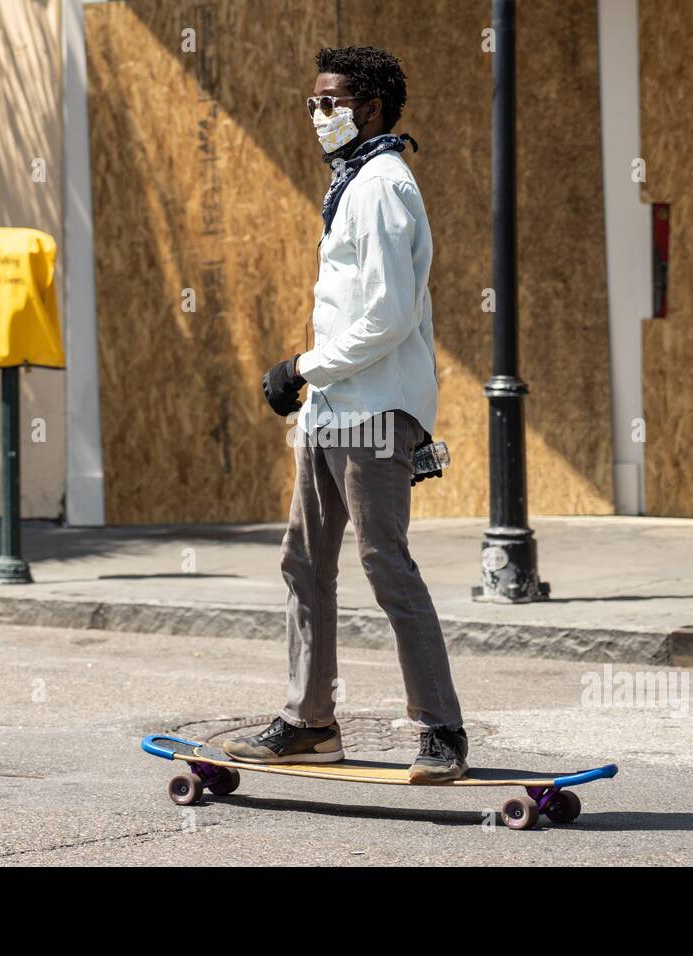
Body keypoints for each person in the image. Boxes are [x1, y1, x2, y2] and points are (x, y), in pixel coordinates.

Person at [225, 46, 467, 783]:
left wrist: (301, 366)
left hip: (374, 408)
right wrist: (313, 386)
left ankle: (442, 732)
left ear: (372, 108)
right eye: (313, 103)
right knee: (303, 564)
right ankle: (308, 724)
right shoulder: (351, 184)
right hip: (332, 412)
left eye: (329, 102)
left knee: (384, 564)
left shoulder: (386, 186)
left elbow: (390, 318)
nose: (318, 115)